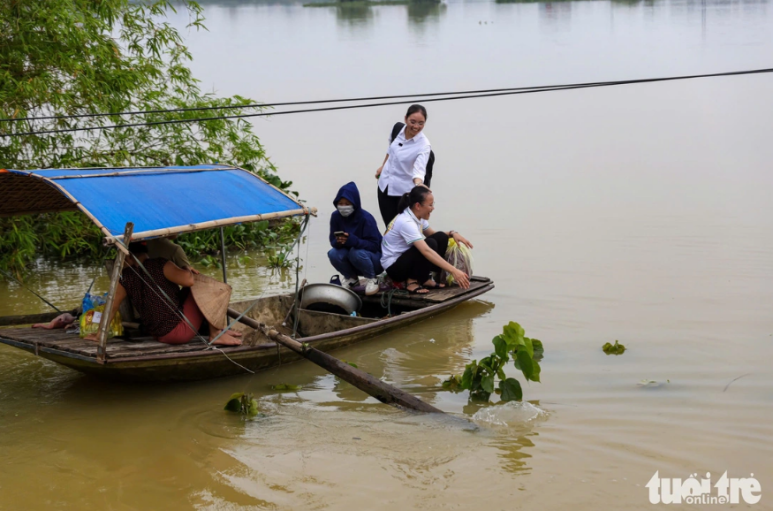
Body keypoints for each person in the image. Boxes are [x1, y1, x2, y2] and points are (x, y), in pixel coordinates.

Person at [85, 242, 241, 346]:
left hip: (157, 334)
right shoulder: (160, 264)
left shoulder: (126, 277)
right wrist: (188, 269)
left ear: (128, 256)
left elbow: (112, 306)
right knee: (206, 285)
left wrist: (99, 335)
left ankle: (218, 330)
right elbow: (189, 280)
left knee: (187, 291)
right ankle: (216, 334)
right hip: (178, 333)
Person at [381, 186, 473, 294]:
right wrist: (454, 271)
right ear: (418, 206)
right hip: (395, 268)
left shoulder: (417, 216)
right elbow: (426, 251)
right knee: (430, 244)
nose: (433, 208)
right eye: (430, 205)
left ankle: (424, 279)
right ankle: (412, 283)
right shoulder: (406, 222)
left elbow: (434, 234)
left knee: (441, 237)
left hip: (406, 259)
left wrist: (453, 233)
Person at [375, 104, 432, 226]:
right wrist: (383, 166)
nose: (416, 126)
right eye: (413, 122)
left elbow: (419, 170)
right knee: (389, 227)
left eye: (421, 123)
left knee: (404, 229)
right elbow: (391, 149)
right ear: (405, 119)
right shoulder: (397, 129)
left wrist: (419, 183)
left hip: (403, 194)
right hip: (385, 187)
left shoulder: (424, 145)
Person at [328, 182, 383, 296]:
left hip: (373, 259)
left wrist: (353, 240)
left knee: (355, 252)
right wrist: (339, 242)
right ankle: (351, 278)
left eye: (347, 203)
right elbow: (332, 240)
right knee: (333, 253)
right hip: (353, 259)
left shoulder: (366, 218)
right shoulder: (335, 216)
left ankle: (372, 278)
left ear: (355, 203)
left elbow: (375, 245)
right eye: (341, 203)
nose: (343, 207)